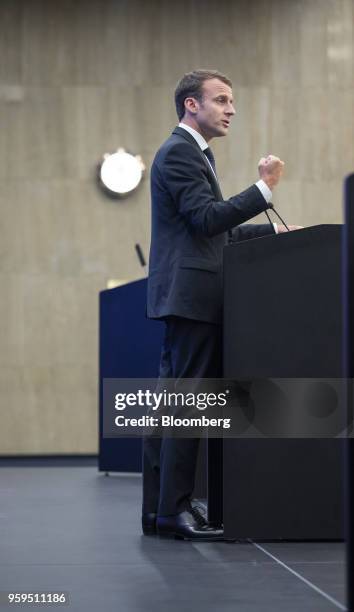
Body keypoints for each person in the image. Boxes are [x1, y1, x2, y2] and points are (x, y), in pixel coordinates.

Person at [143, 69, 298, 541]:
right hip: (193, 299)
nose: (231, 109)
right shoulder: (179, 153)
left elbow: (215, 232)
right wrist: (264, 189)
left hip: (190, 296)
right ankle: (173, 511)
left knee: (174, 405)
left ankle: (160, 510)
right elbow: (208, 220)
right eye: (222, 100)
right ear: (192, 104)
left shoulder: (192, 155)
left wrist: (271, 231)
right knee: (189, 405)